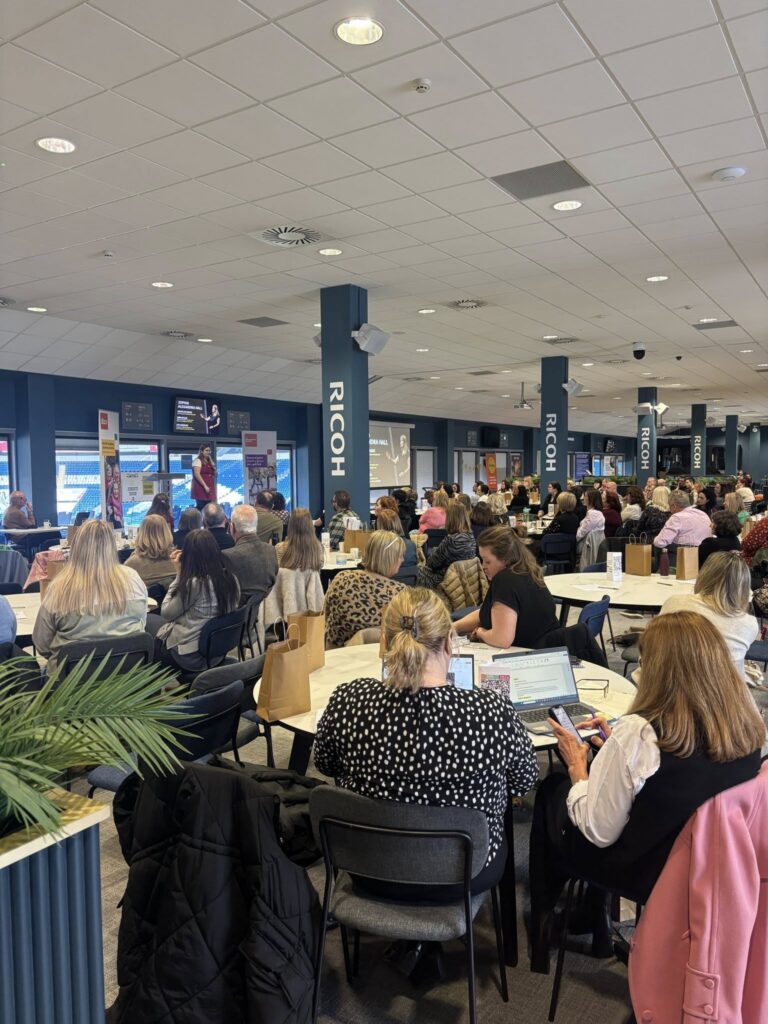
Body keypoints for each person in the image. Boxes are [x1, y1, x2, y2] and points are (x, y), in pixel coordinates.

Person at [528, 611, 764, 972]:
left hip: (642, 868)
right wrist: (614, 752)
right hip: (709, 865)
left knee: (553, 792)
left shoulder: (642, 731)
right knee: (598, 792)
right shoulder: (746, 726)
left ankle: (545, 928)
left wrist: (579, 767)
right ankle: (593, 915)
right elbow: (675, 783)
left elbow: (599, 831)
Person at [314, 588, 538, 901]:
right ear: (449, 641)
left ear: (384, 641)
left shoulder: (349, 702)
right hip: (467, 871)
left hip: (369, 866)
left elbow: (326, 764)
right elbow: (523, 783)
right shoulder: (491, 712)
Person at [32, 519, 148, 673]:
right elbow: (141, 624)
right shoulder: (133, 578)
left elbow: (42, 645)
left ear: (76, 547)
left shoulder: (59, 587)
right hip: (127, 683)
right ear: (112, 546)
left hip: (69, 687)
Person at [147, 529, 240, 673]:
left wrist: (179, 575)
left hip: (190, 656)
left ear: (188, 556)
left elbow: (166, 612)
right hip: (217, 651)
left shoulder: (195, 584)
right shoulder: (231, 578)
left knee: (149, 637)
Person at [454, 526, 560, 649]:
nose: (483, 566)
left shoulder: (505, 580)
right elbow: (489, 613)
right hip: (549, 649)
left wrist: (480, 633)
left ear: (505, 559)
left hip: (531, 655)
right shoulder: (527, 570)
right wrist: (455, 627)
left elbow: (502, 640)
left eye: (487, 561)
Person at [659, 552, 757, 680]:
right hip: (724, 692)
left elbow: (653, 650)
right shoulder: (749, 624)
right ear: (744, 586)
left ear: (704, 575)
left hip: (668, 686)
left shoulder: (674, 603)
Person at [324, 531, 406, 648]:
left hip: (337, 655)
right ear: (389, 558)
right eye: (400, 556)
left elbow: (325, 615)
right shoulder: (401, 595)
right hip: (380, 660)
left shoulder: (342, 580)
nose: (402, 560)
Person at [222, 504, 278, 604]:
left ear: (232, 527)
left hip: (233, 615)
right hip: (258, 613)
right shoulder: (271, 551)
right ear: (255, 526)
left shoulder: (226, 557)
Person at [418, 501, 477, 589]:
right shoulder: (471, 537)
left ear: (450, 518)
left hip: (444, 580)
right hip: (464, 580)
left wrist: (435, 551)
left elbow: (431, 564)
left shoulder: (451, 540)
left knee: (417, 570)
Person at [125, 514, 177, 589]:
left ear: (141, 533)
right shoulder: (179, 559)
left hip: (148, 600)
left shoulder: (132, 564)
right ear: (166, 532)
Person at [191, 444, 216, 511]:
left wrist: (213, 464)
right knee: (201, 505)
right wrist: (205, 486)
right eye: (206, 450)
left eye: (209, 450)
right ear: (202, 451)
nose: (208, 452)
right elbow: (197, 474)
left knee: (208, 506)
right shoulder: (197, 460)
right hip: (201, 487)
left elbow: (215, 474)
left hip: (209, 486)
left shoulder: (209, 462)